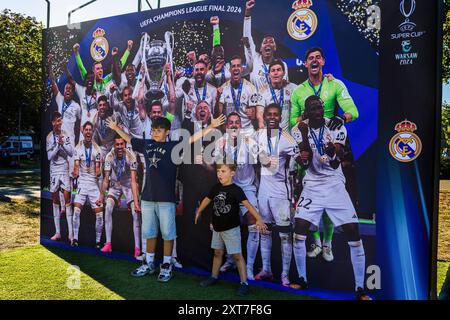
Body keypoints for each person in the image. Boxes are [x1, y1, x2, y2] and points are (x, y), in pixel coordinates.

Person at [106, 113, 226, 282]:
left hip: (166, 199)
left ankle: (167, 265)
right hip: (147, 197)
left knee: (168, 234)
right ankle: (149, 263)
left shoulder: (173, 147)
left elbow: (192, 139)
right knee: (149, 233)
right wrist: (115, 127)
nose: (155, 133)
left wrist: (211, 127)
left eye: (160, 130)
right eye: (154, 129)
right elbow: (130, 139)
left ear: (167, 132)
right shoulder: (147, 144)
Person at [290, 95, 370, 300]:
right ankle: (301, 278)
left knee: (353, 230)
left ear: (323, 108)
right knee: (299, 228)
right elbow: (305, 164)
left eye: (320, 107)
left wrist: (332, 150)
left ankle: (360, 288)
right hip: (313, 184)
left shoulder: (335, 124)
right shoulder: (297, 130)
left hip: (334, 183)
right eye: (312, 109)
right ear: (306, 112)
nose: (317, 112)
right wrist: (305, 140)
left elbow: (338, 160)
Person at [290, 47, 360, 262]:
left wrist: (343, 118)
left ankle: (328, 244)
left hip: (332, 140)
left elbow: (353, 112)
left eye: (317, 57)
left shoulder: (335, 83)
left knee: (331, 194)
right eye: (310, 58)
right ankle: (316, 241)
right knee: (307, 194)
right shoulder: (298, 91)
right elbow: (293, 121)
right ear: (305, 63)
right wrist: (303, 120)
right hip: (308, 141)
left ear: (323, 61)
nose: (314, 60)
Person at [195, 163, 267, 296]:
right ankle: (214, 276)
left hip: (231, 230)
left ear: (232, 173)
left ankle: (244, 283)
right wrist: (199, 210)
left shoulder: (236, 190)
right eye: (218, 171)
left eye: (223, 171)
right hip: (217, 228)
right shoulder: (216, 187)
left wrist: (259, 218)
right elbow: (207, 199)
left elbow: (248, 205)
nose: (219, 174)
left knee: (237, 256)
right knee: (217, 253)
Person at [254, 103, 302, 287]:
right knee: (264, 231)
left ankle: (284, 275)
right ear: (264, 116)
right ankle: (266, 269)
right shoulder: (257, 136)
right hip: (263, 191)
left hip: (281, 193)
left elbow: (300, 162)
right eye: (269, 114)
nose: (273, 117)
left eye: (276, 114)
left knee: (284, 236)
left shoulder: (288, 139)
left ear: (280, 117)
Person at [213, 113, 260, 280]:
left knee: (253, 222)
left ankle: (249, 267)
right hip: (229, 187)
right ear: (226, 127)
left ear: (241, 125)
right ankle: (230, 259)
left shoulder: (249, 140)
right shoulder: (221, 141)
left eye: (237, 123)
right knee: (227, 223)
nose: (234, 125)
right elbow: (218, 168)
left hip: (247, 187)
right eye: (231, 123)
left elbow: (259, 162)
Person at [99, 136, 141, 257]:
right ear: (114, 146)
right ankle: (108, 244)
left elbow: (134, 181)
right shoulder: (109, 156)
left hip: (128, 185)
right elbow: (106, 179)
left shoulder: (131, 156)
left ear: (125, 144)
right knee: (107, 208)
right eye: (117, 144)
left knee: (135, 212)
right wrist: (102, 196)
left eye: (121, 144)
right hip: (116, 184)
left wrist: (136, 202)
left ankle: (137, 248)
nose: (119, 147)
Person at [243, 0, 289, 91]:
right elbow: (247, 38)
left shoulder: (282, 65)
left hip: (274, 103)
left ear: (275, 48)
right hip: (256, 103)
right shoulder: (254, 60)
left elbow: (284, 86)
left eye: (271, 42)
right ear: (260, 48)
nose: (268, 43)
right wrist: (247, 13)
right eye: (265, 42)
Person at [72, 121, 103, 248]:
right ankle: (74, 239)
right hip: (82, 183)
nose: (88, 132)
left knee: (100, 214)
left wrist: (100, 168)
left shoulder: (98, 149)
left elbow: (98, 171)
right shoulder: (77, 148)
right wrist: (75, 174)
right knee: (76, 210)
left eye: (90, 130)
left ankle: (97, 241)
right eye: (86, 130)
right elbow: (76, 167)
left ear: (93, 132)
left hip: (93, 184)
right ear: (83, 131)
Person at [46, 111, 74, 242]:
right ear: (53, 122)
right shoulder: (49, 137)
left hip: (64, 168)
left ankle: (71, 234)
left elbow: (71, 153)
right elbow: (49, 157)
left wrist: (63, 144)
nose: (59, 123)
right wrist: (58, 145)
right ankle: (58, 233)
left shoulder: (66, 135)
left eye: (60, 120)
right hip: (54, 171)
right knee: (55, 201)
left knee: (68, 200)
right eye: (57, 120)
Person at [218, 55, 261, 131]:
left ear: (242, 69)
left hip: (246, 129)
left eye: (238, 66)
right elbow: (220, 114)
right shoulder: (223, 88)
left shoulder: (251, 88)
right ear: (230, 69)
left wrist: (252, 113)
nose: (236, 68)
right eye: (233, 66)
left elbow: (254, 115)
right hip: (230, 129)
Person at [259, 59, 297, 131]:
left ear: (284, 73)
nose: (276, 73)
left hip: (288, 134)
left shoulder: (293, 88)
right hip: (272, 133)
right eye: (273, 70)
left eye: (278, 70)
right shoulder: (262, 92)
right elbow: (260, 115)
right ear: (269, 74)